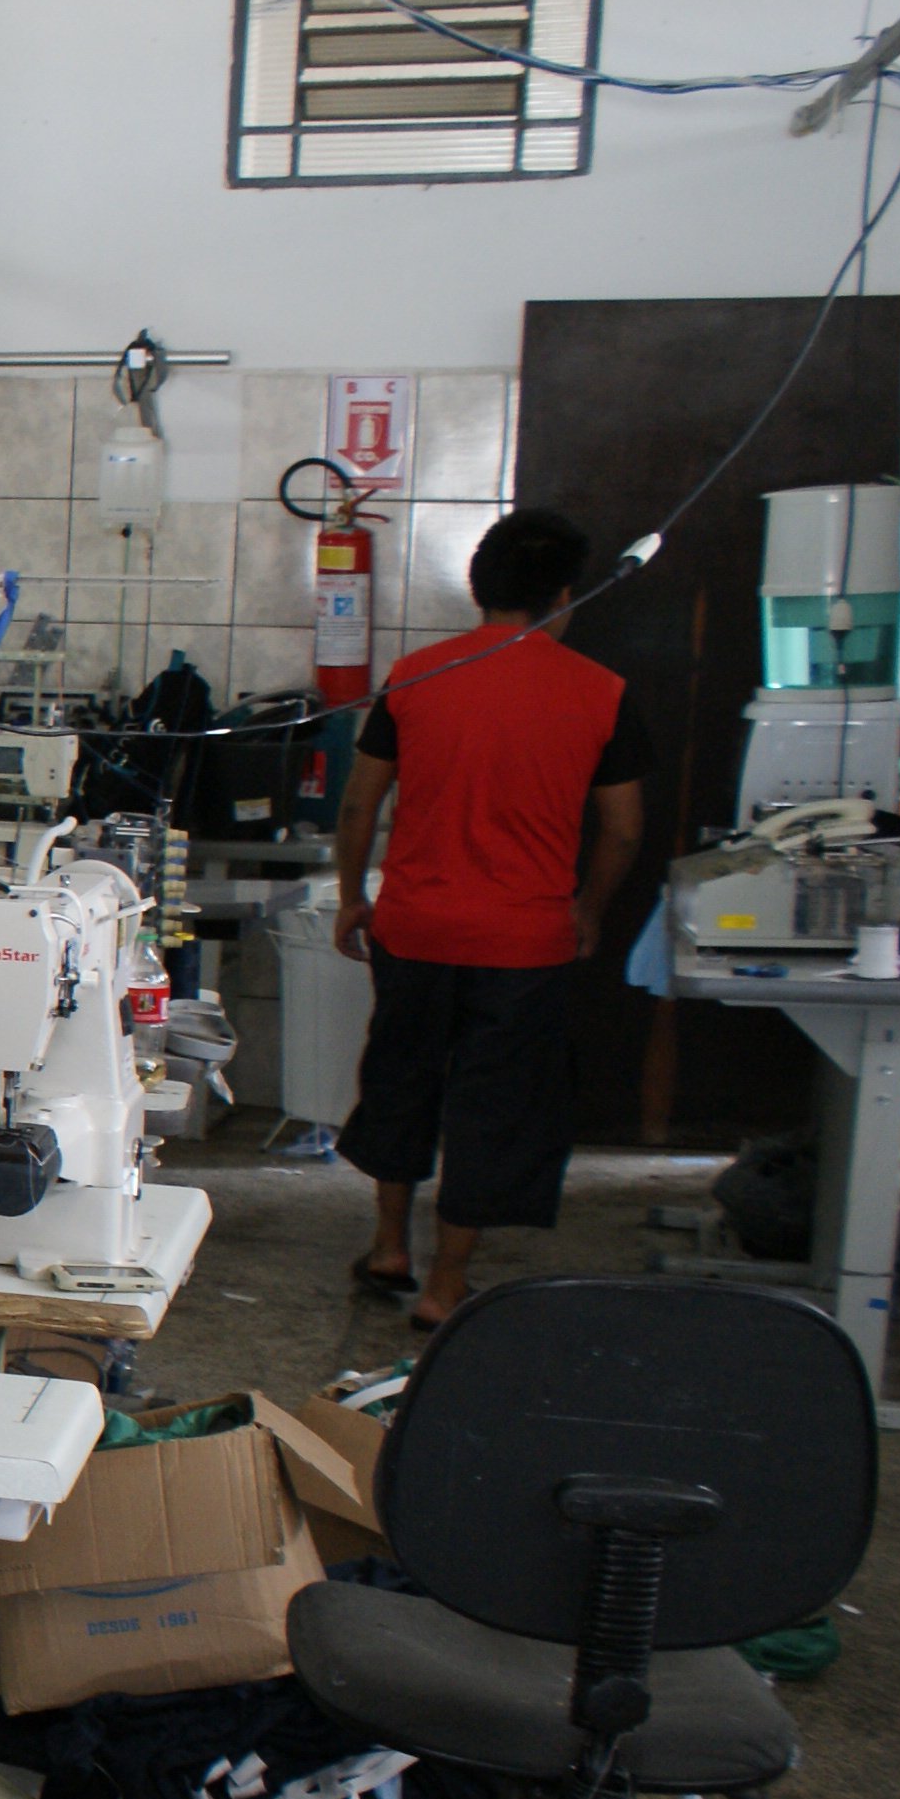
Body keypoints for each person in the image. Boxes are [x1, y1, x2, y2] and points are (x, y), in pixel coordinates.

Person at [331, 506, 648, 1330]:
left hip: (415, 931)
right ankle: (445, 1286)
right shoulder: (601, 692)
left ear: (481, 589)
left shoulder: (414, 677)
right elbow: (623, 829)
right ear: (564, 596)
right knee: (494, 1106)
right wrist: (588, 910)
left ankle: (389, 1246)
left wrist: (352, 896)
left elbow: (360, 804)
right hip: (524, 945)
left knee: (401, 1080)